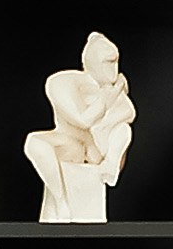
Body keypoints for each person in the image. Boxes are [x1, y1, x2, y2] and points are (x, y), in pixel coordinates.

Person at [24, 32, 133, 220]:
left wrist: (104, 125)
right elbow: (82, 120)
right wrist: (106, 100)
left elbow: (129, 112)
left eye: (114, 63)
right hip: (70, 144)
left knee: (124, 130)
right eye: (107, 63)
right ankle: (61, 200)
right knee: (34, 142)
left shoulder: (112, 88)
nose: (113, 69)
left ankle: (110, 167)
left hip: (96, 149)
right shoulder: (63, 81)